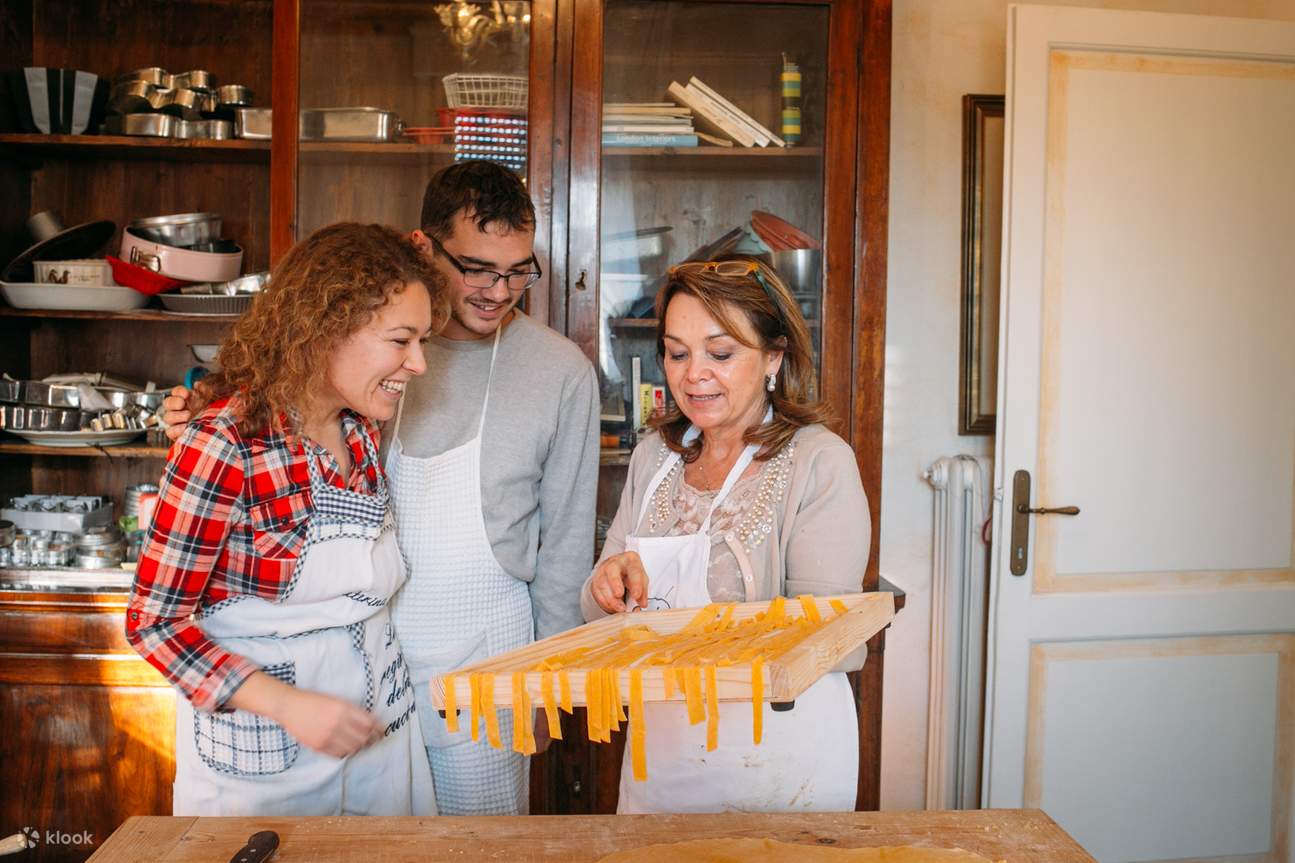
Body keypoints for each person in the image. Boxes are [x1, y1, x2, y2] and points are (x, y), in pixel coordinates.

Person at [163, 161, 601, 816]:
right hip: (365, 666)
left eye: (517, 271)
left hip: (476, 663)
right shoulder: (354, 372)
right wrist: (201, 417)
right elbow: (258, 445)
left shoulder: (555, 372)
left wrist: (548, 681)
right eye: (477, 268)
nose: (497, 289)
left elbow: (566, 544)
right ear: (421, 247)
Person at [127, 223, 447, 816]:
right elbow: (154, 625)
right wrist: (286, 704)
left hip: (381, 737)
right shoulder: (223, 443)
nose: (419, 363)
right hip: (265, 760)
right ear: (326, 328)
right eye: (402, 340)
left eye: (422, 340)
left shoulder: (360, 428)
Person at [583, 256, 871, 814]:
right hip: (663, 750)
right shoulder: (653, 458)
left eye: (720, 353)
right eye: (676, 352)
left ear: (774, 356)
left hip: (778, 755)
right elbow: (595, 617)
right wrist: (607, 584)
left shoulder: (819, 462)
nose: (694, 375)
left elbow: (827, 639)